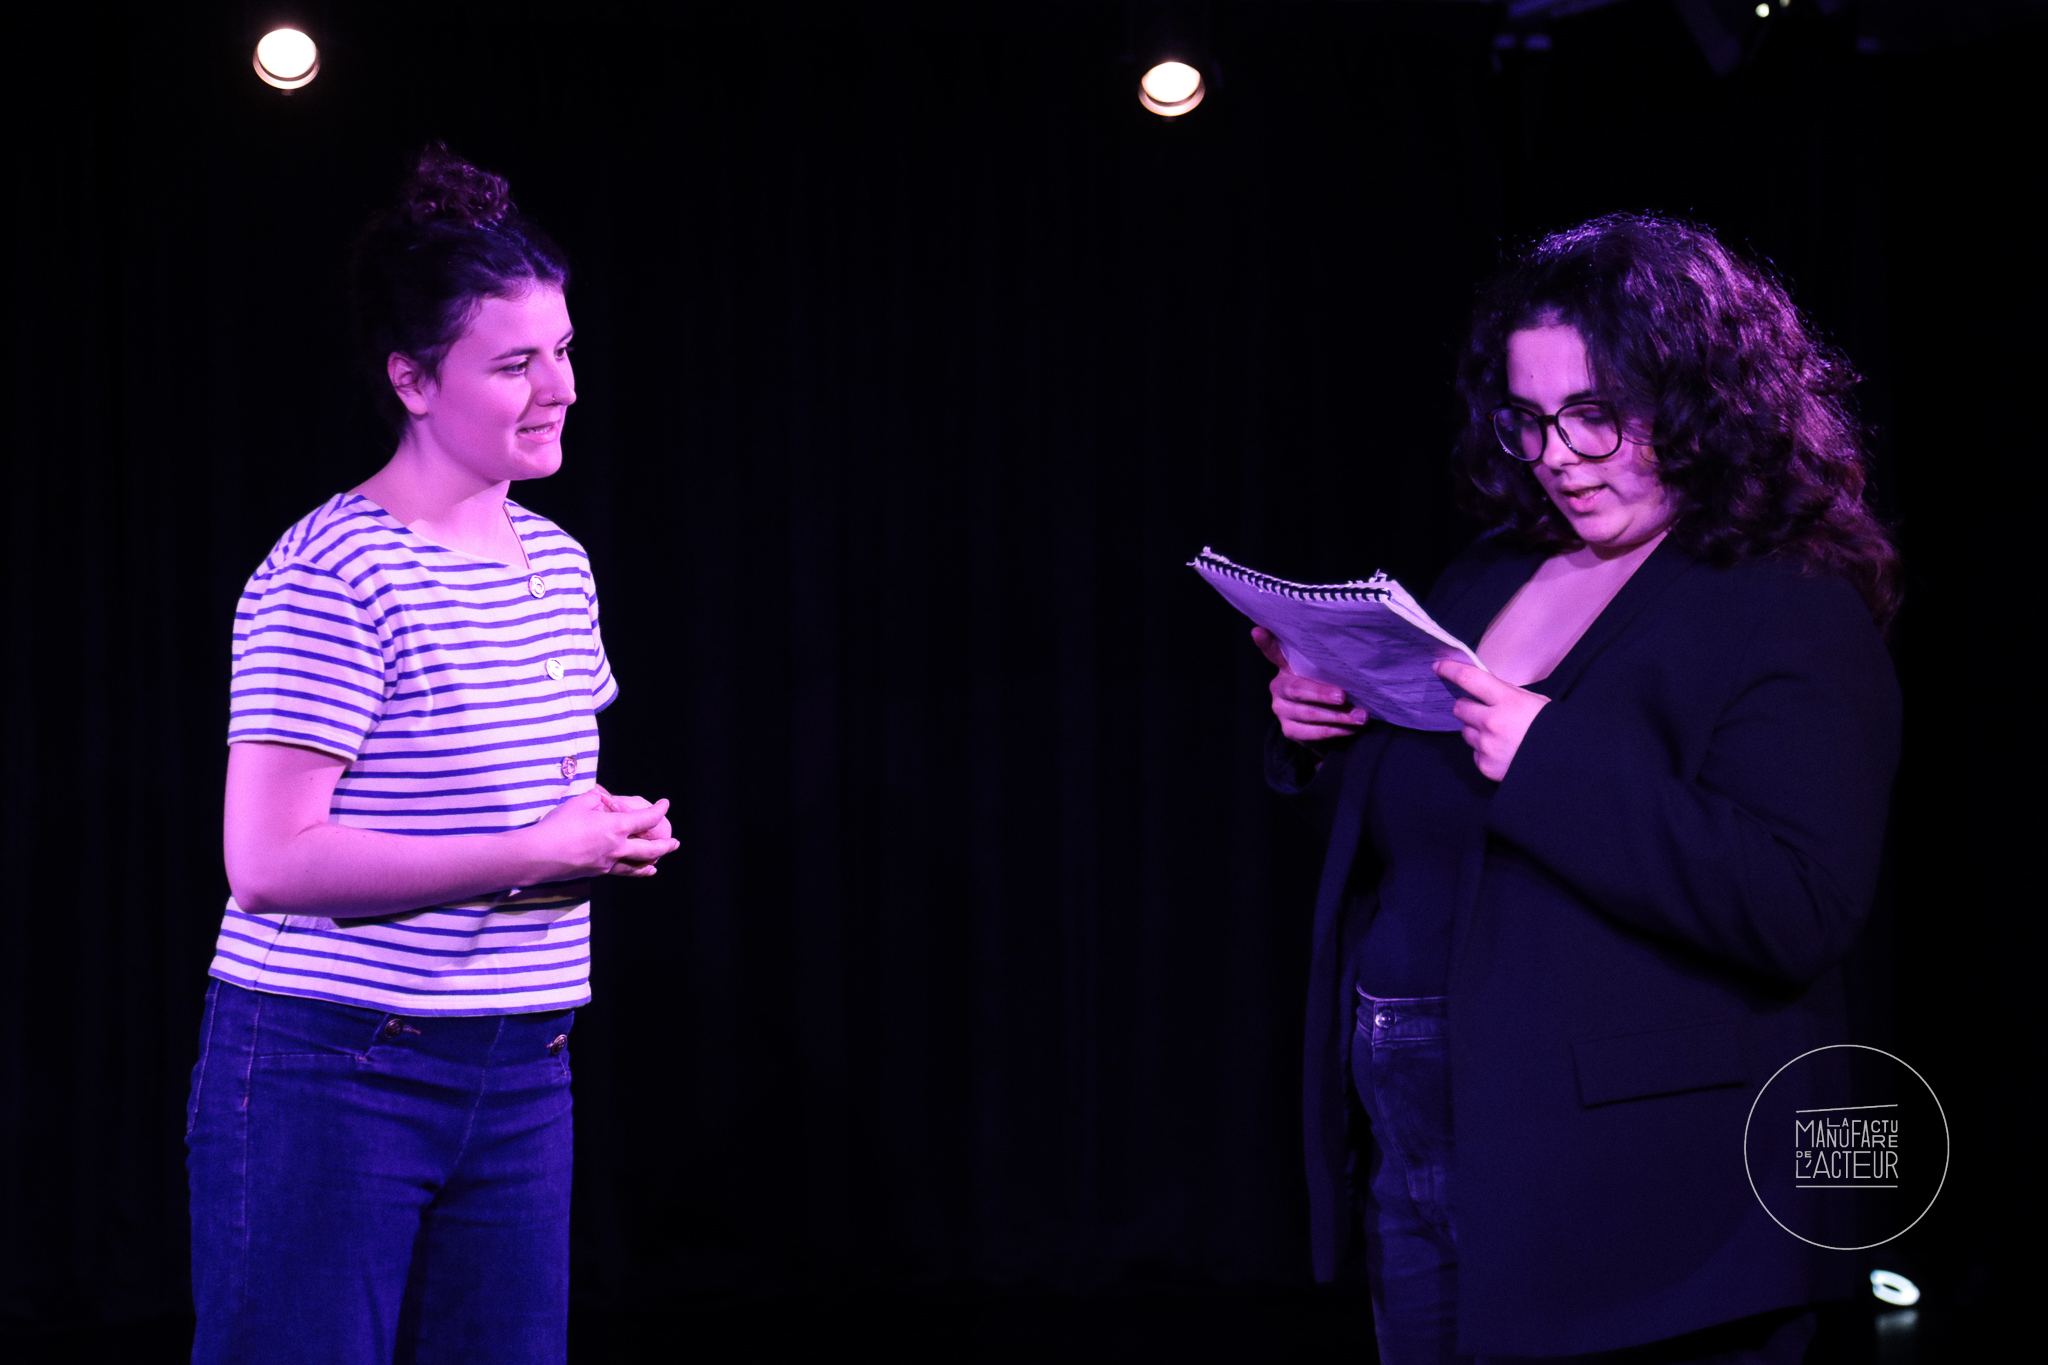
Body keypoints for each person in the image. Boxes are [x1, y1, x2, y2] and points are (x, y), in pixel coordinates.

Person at [1256, 216, 1900, 1363]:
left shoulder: (1785, 600)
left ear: (1703, 402)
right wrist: (1323, 737)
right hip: (1428, 1142)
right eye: (1529, 417)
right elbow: (1438, 830)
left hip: (1638, 1205)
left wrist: (1547, 759)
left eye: (1596, 413)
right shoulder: (1491, 570)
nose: (1556, 455)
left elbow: (1796, 905)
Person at [185, 147, 680, 1365]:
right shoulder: (334, 572)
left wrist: (600, 832)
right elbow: (269, 862)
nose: (558, 388)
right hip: (332, 1064)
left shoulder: (557, 563)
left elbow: (512, 801)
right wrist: (533, 850)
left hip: (522, 1065)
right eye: (513, 364)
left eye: (562, 350)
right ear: (411, 378)